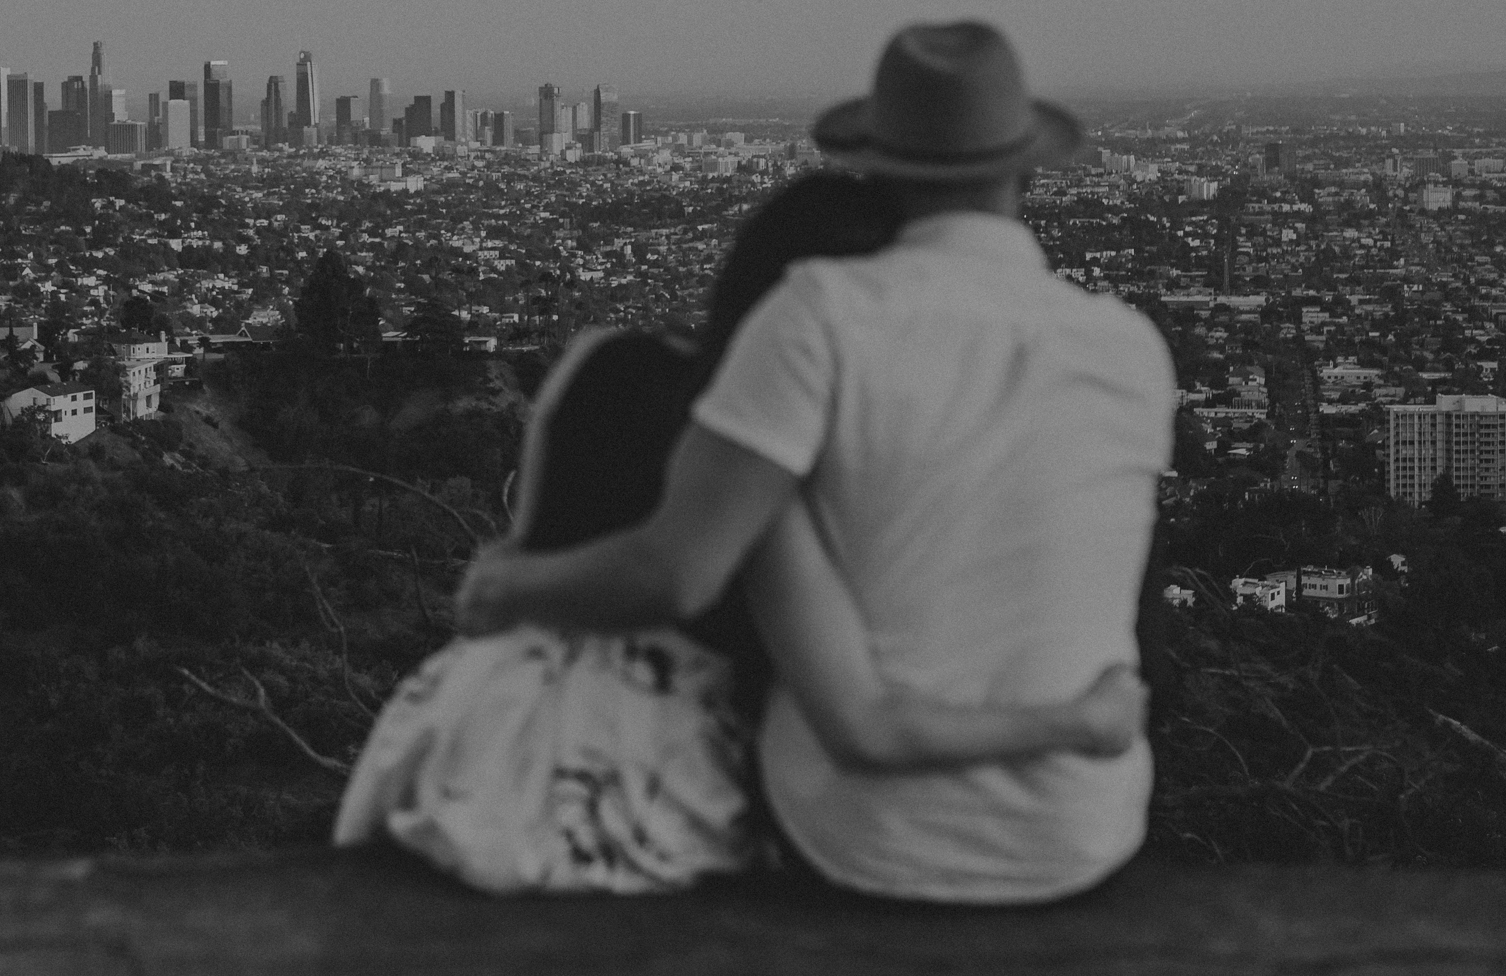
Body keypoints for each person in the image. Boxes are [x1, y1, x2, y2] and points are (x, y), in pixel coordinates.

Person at [453, 20, 1176, 903]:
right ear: (1027, 168)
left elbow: (678, 572)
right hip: (1086, 828)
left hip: (866, 838)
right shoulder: (1130, 347)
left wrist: (503, 585)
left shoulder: (819, 318)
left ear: (877, 168)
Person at [334, 171, 1147, 895]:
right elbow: (849, 710)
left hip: (471, 722)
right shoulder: (772, 464)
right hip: (648, 781)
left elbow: (524, 547)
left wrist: (506, 589)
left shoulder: (603, 362)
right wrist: (1081, 722)